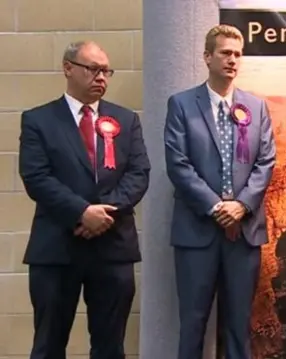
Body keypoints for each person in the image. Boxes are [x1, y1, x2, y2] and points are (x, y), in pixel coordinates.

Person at [18, 40, 150, 359]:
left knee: (110, 346)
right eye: (93, 69)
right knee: (49, 344)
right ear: (68, 69)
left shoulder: (126, 120)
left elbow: (138, 173)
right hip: (57, 249)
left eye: (106, 71)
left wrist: (104, 215)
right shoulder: (39, 120)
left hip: (113, 247)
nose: (101, 77)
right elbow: (37, 177)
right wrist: (81, 212)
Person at [164, 24, 276, 359]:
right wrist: (216, 207)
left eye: (238, 55)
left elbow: (266, 161)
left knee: (239, 325)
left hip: (244, 234)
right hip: (197, 233)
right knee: (193, 324)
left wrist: (241, 205)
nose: (232, 60)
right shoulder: (182, 105)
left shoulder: (255, 108)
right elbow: (178, 164)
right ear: (207, 57)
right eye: (225, 53)